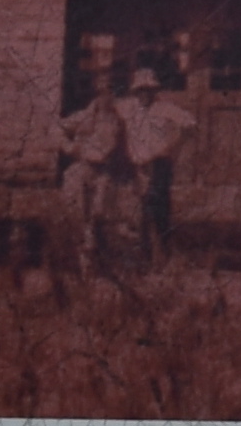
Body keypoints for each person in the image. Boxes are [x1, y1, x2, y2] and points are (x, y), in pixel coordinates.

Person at [120, 48, 197, 252]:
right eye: (140, 90)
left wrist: (175, 146)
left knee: (159, 206)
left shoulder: (164, 108)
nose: (144, 94)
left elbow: (190, 123)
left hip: (159, 162)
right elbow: (106, 118)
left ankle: (164, 247)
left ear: (154, 90)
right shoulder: (126, 107)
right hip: (136, 164)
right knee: (138, 208)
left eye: (148, 90)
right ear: (135, 91)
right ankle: (142, 251)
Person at [54, 67, 130, 270]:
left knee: (100, 215)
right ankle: (82, 263)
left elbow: (122, 149)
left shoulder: (118, 121)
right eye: (103, 91)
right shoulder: (84, 116)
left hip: (104, 172)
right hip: (84, 168)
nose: (107, 96)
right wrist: (70, 147)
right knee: (80, 216)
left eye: (111, 92)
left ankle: (101, 261)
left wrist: (122, 169)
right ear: (97, 93)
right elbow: (57, 128)